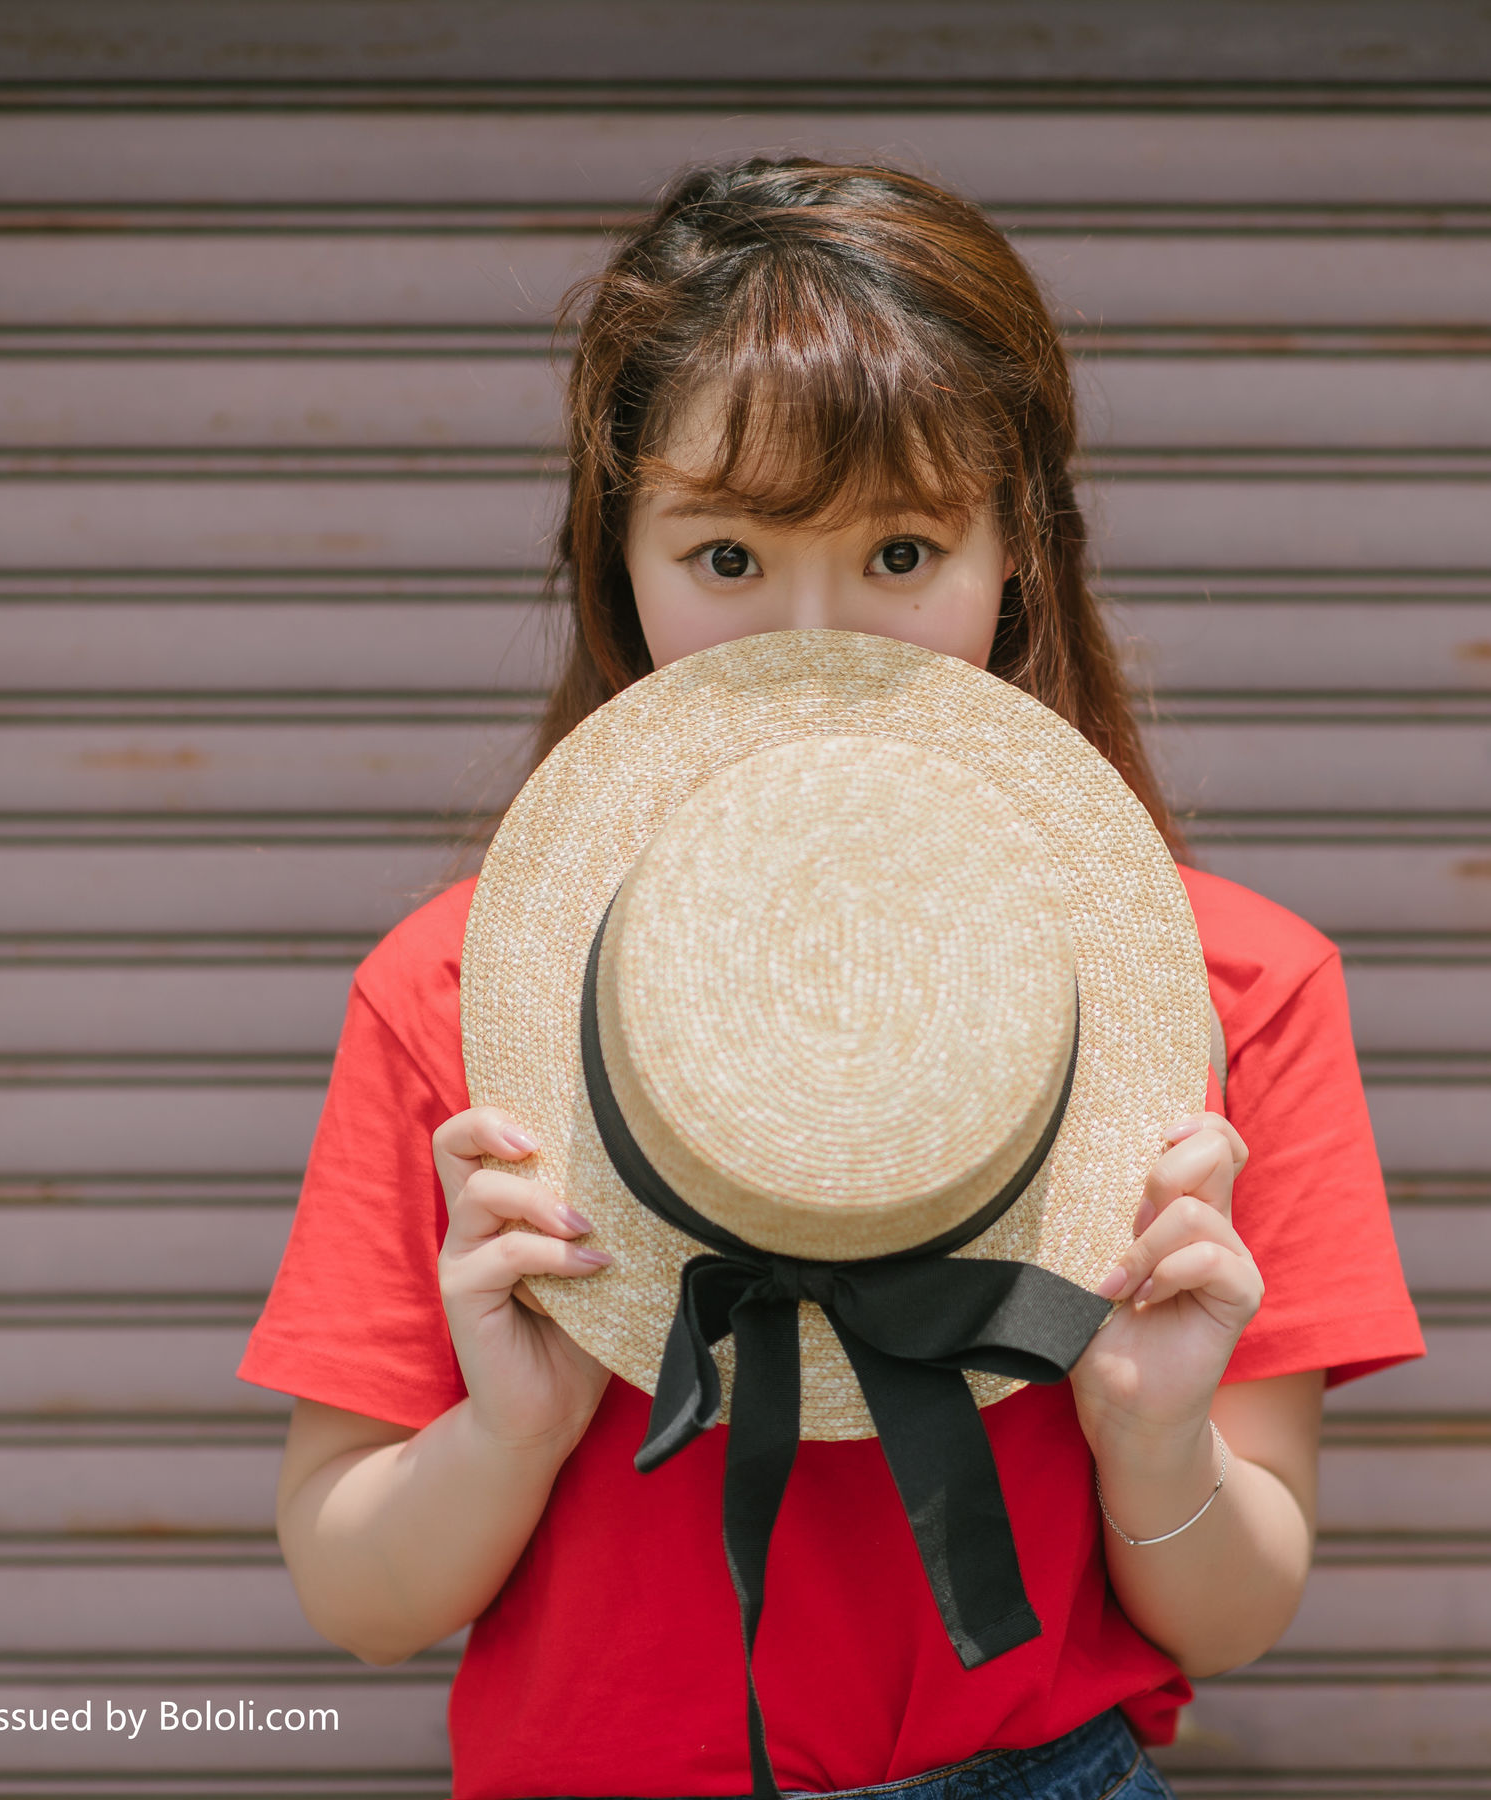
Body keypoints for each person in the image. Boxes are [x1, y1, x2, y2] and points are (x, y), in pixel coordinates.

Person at [239, 158, 1424, 1800]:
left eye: (901, 553)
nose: (818, 641)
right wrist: (516, 1423)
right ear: (619, 559)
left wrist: (1150, 1430)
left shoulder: (1226, 992)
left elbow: (1233, 1611)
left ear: (1020, 555)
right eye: (727, 559)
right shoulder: (455, 997)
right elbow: (356, 1593)